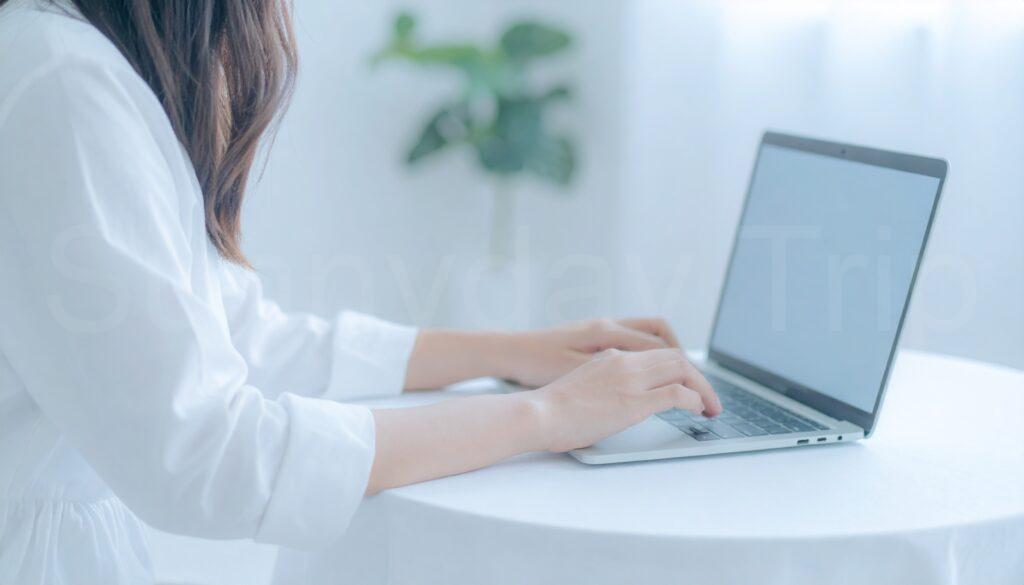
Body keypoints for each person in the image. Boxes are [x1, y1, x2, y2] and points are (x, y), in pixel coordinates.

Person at [0, 0, 721, 583]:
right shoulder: (63, 81)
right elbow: (204, 454)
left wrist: (509, 351)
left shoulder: (72, 59)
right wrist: (549, 414)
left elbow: (242, 337)